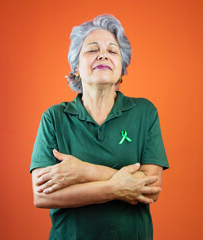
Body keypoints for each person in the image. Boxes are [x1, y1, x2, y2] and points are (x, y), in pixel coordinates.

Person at [30, 14, 169, 240]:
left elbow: (150, 188)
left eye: (113, 51)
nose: (103, 54)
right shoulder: (54, 118)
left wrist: (84, 171)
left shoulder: (145, 112)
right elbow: (42, 196)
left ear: (122, 67)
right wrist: (116, 188)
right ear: (75, 67)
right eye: (92, 49)